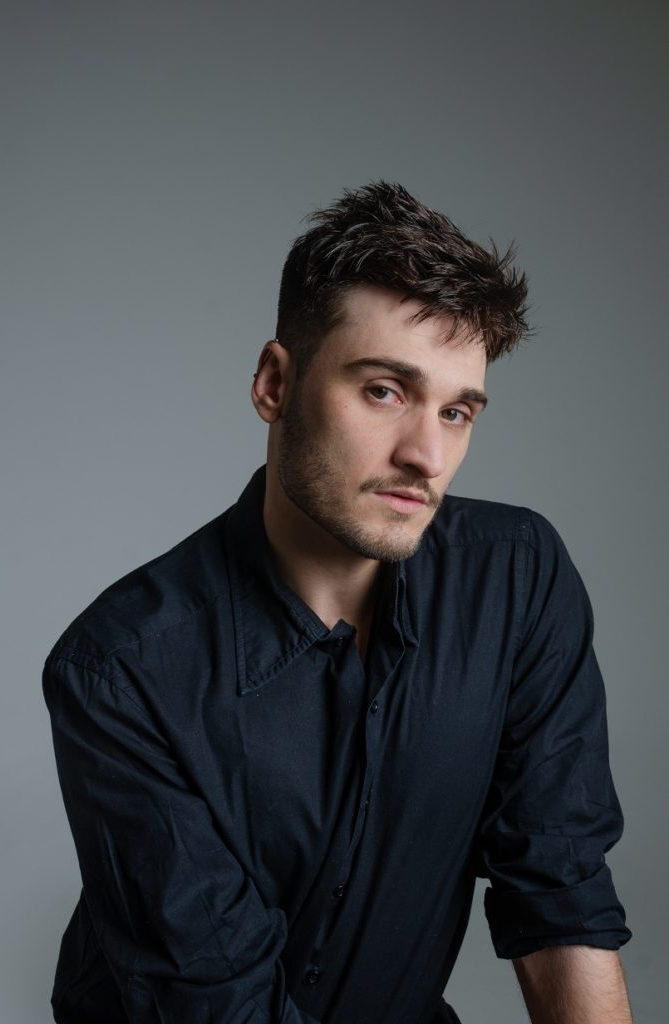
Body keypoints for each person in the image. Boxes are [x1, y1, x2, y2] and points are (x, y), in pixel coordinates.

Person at [43, 182, 632, 1024]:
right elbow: (217, 1003)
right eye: (385, 390)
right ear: (275, 383)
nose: (427, 456)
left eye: (457, 411)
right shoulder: (124, 668)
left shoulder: (515, 577)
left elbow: (560, 887)